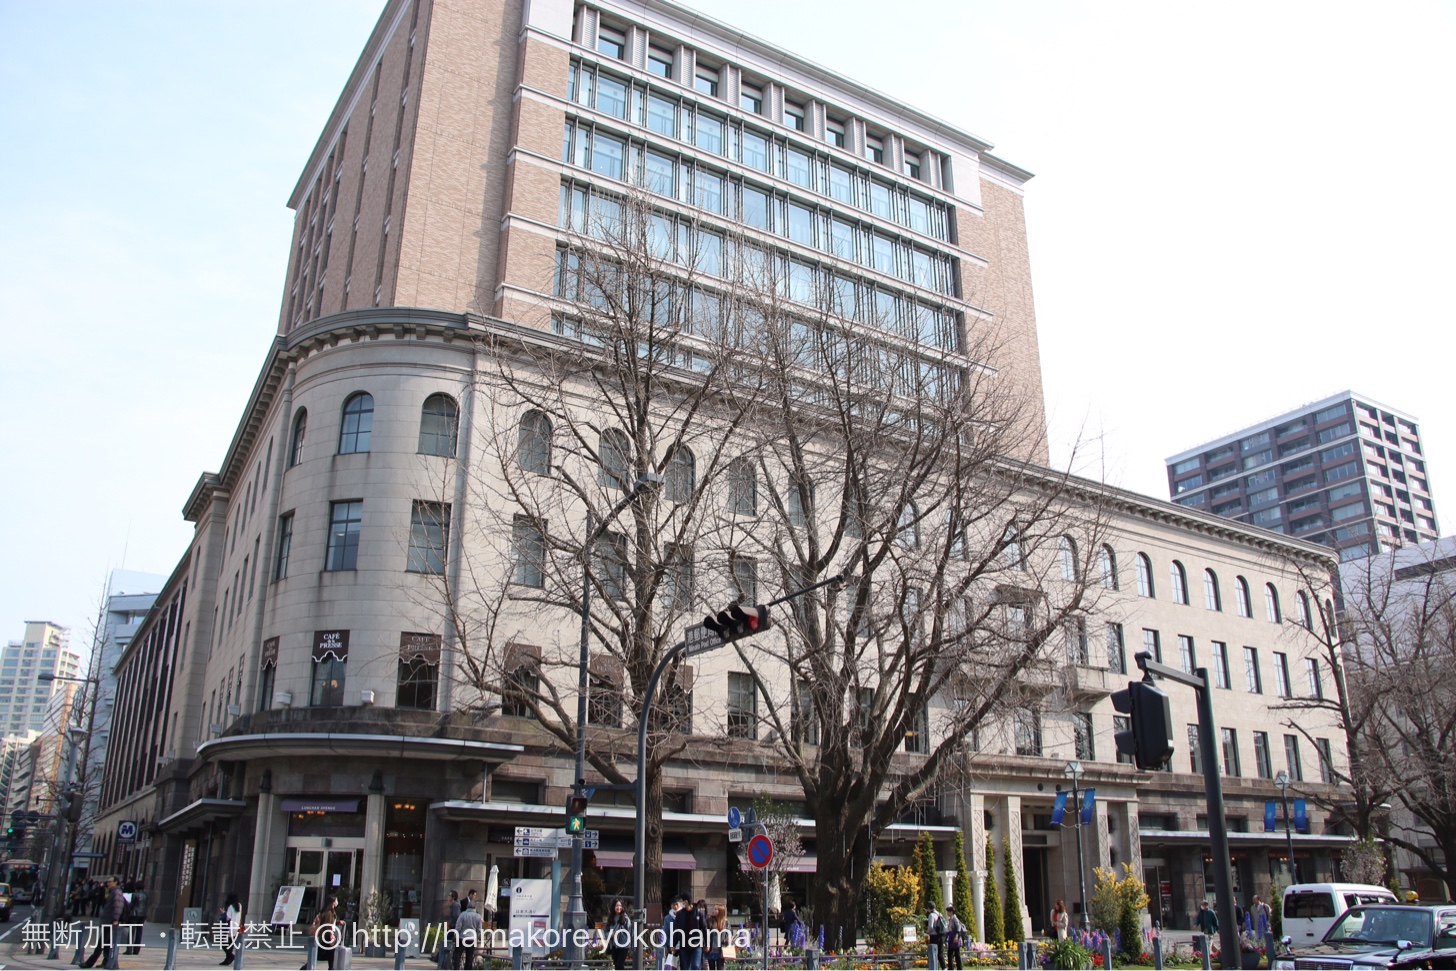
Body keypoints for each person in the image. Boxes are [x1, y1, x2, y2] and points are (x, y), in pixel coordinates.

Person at [80, 876, 126, 969]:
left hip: (110, 922)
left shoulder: (116, 892)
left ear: (116, 882)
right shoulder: (112, 892)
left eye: (110, 882)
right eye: (107, 882)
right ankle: (106, 961)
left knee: (101, 943)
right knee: (106, 944)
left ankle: (89, 963)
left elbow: (118, 906)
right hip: (108, 921)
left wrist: (115, 919)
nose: (108, 883)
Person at [310, 895, 342, 970]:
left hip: (326, 935)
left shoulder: (330, 911)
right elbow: (327, 924)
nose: (336, 902)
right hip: (327, 936)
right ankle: (305, 967)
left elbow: (331, 922)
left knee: (330, 954)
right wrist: (331, 935)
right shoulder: (328, 912)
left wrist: (338, 922)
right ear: (332, 902)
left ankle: (331, 968)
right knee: (321, 954)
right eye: (335, 901)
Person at [455, 898, 485, 970]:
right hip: (472, 938)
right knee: (469, 956)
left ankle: (456, 968)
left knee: (458, 955)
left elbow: (458, 927)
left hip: (462, 937)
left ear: (467, 906)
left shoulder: (462, 915)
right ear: (475, 907)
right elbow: (479, 929)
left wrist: (456, 934)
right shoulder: (478, 916)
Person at [606, 899, 633, 971]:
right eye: (617, 906)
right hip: (614, 945)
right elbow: (606, 931)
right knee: (616, 965)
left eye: (620, 906)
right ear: (613, 907)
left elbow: (630, 931)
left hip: (624, 945)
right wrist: (610, 934)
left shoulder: (626, 918)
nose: (619, 908)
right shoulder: (610, 918)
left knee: (619, 965)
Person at [124, 880, 149, 955]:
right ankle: (136, 950)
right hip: (143, 914)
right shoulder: (146, 894)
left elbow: (132, 905)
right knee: (139, 932)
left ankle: (129, 950)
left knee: (131, 932)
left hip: (134, 914)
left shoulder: (134, 894)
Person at [437, 890, 460, 968]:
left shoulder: (456, 905)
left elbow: (456, 916)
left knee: (446, 942)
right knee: (446, 942)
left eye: (449, 895)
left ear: (453, 897)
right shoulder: (453, 905)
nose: (448, 897)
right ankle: (440, 959)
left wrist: (451, 924)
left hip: (453, 928)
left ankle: (440, 959)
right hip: (452, 927)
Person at [704, 904, 728, 971]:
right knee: (712, 968)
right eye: (713, 909)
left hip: (721, 950)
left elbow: (728, 934)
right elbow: (705, 933)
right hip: (711, 949)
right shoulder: (709, 920)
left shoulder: (725, 922)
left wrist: (727, 939)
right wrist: (706, 944)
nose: (713, 910)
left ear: (720, 911)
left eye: (715, 909)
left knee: (720, 968)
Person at [944, 904, 966, 970]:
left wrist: (956, 936)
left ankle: (957, 968)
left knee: (955, 954)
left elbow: (958, 927)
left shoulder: (954, 918)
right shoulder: (951, 919)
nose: (947, 913)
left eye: (948, 911)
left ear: (951, 912)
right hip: (951, 936)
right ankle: (952, 967)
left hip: (954, 936)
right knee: (952, 953)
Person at [926, 900, 945, 970]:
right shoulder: (939, 914)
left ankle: (935, 967)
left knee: (934, 952)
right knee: (940, 952)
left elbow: (931, 927)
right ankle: (944, 967)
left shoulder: (931, 915)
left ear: (929, 908)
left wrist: (927, 932)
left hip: (934, 935)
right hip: (940, 935)